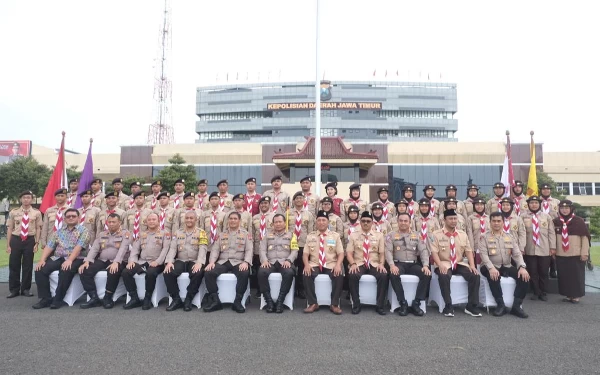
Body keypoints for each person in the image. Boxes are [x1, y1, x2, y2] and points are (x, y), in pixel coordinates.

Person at [33, 208, 91, 309]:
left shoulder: (84, 231)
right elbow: (49, 246)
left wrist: (69, 260)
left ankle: (58, 299)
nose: (71, 218)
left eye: (73, 216)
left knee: (65, 269)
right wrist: (42, 260)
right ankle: (45, 298)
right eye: (68, 216)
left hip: (77, 258)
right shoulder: (58, 232)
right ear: (64, 219)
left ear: (78, 218)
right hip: (58, 257)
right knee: (40, 269)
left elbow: (79, 247)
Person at [430, 209, 481, 317]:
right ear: (444, 220)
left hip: (459, 263)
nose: (453, 221)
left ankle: (471, 306)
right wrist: (439, 265)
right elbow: (434, 252)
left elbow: (468, 251)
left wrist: (472, 265)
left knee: (475, 275)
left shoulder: (462, 234)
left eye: (455, 218)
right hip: (444, 262)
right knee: (444, 276)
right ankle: (448, 305)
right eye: (450, 219)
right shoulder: (436, 234)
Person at [479, 212, 530, 318]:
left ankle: (516, 306)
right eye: (494, 221)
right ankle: (500, 305)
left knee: (524, 277)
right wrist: (491, 268)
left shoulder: (510, 236)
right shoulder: (484, 237)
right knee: (493, 276)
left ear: (503, 222)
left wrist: (522, 267)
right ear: (490, 222)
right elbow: (483, 255)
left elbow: (517, 254)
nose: (496, 223)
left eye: (499, 221)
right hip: (489, 265)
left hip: (506, 265)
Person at [203, 212, 253, 313]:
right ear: (228, 220)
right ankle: (215, 300)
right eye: (231, 219)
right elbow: (215, 250)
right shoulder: (221, 234)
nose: (233, 221)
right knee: (209, 272)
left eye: (235, 219)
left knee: (244, 273)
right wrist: (212, 262)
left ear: (239, 221)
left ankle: (237, 301)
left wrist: (246, 262)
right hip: (223, 261)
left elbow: (249, 250)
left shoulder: (246, 234)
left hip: (238, 261)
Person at [78, 213, 131, 309]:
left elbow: (123, 249)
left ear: (119, 222)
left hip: (119, 260)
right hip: (103, 260)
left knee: (113, 271)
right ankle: (94, 297)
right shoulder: (102, 234)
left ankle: (108, 297)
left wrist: (116, 262)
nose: (111, 224)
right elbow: (94, 249)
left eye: (113, 222)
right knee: (85, 270)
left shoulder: (125, 234)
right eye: (109, 222)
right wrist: (87, 261)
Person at [121, 212, 171, 310]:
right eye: (149, 220)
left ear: (159, 221)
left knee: (151, 273)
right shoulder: (141, 234)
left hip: (157, 262)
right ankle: (134, 298)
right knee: (126, 272)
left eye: (154, 219)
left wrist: (158, 262)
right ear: (146, 222)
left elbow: (166, 249)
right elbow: (135, 249)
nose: (151, 221)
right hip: (142, 261)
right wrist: (132, 261)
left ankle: (147, 298)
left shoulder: (165, 233)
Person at [386, 212, 430, 316]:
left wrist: (425, 265)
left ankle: (417, 303)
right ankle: (402, 303)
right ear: (397, 222)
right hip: (399, 264)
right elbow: (388, 251)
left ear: (410, 222)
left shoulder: (417, 235)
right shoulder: (391, 235)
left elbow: (423, 250)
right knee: (393, 274)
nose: (403, 223)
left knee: (426, 274)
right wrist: (392, 265)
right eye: (401, 221)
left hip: (413, 264)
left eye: (406, 221)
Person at [163, 210, 208, 311]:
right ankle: (176, 299)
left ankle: (189, 299)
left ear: (196, 220)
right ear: (184, 219)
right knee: (168, 272)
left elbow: (203, 248)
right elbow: (173, 248)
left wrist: (199, 263)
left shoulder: (202, 232)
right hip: (181, 260)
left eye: (191, 218)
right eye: (187, 218)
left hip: (194, 260)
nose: (189, 220)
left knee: (198, 273)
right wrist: (169, 261)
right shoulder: (178, 232)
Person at [303, 210, 344, 315]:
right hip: (315, 263)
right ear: (316, 222)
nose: (321, 222)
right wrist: (306, 265)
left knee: (339, 274)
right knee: (306, 274)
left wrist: (338, 265)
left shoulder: (335, 236)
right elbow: (305, 254)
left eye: (324, 220)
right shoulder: (310, 236)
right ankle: (313, 303)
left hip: (331, 263)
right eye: (319, 220)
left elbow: (340, 253)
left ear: (328, 222)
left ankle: (334, 304)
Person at [346, 211, 388, 315]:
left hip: (374, 263)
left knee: (383, 275)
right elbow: (349, 253)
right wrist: (353, 264)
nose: (366, 223)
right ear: (360, 222)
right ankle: (356, 304)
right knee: (353, 274)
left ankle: (380, 305)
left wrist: (381, 264)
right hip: (359, 263)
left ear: (372, 223)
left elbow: (382, 253)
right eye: (363, 221)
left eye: (368, 221)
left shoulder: (379, 235)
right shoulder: (353, 235)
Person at [258, 214, 298, 313]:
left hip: (285, 262)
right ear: (273, 224)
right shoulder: (267, 235)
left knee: (289, 273)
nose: (278, 224)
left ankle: (280, 301)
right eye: (276, 222)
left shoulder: (291, 235)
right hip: (270, 262)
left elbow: (294, 251)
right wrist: (264, 260)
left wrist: (289, 260)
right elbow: (262, 250)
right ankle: (269, 301)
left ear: (285, 223)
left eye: (280, 222)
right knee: (261, 272)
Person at [6, 191, 42, 298]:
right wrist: (8, 244)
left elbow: (38, 228)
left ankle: (26, 289)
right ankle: (14, 289)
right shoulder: (13, 212)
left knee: (28, 265)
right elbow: (9, 228)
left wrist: (36, 242)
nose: (26, 199)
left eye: (28, 197)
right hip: (16, 239)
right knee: (14, 265)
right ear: (20, 199)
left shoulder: (36, 213)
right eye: (24, 197)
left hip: (29, 240)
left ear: (31, 199)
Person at [553, 200, 590, 304]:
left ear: (571, 209)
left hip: (576, 253)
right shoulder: (556, 221)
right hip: (561, 254)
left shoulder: (579, 221)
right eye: (562, 208)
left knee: (576, 276)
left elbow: (585, 238)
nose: (564, 210)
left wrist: (584, 253)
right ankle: (568, 295)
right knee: (564, 275)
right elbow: (552, 238)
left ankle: (576, 295)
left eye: (567, 208)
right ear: (559, 209)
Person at [522, 196, 556, 301]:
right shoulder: (523, 217)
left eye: (536, 203)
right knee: (532, 271)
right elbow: (521, 233)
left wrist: (553, 247)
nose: (534, 205)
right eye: (531, 203)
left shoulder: (546, 217)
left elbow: (551, 233)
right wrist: (521, 247)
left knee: (543, 272)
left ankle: (543, 291)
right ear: (528, 204)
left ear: (539, 204)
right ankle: (536, 291)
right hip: (530, 248)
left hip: (544, 248)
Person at [291, 191, 315, 299]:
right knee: (291, 267)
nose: (299, 200)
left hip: (303, 244)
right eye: (297, 198)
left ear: (304, 200)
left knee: (301, 268)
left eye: (301, 198)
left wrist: (309, 246)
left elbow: (310, 231)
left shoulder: (308, 214)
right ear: (293, 201)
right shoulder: (288, 213)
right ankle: (291, 289)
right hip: (291, 245)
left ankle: (301, 289)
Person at [251, 196, 275, 297]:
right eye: (262, 203)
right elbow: (251, 234)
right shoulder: (255, 218)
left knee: (267, 267)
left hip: (270, 247)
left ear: (269, 204)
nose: (264, 205)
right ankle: (259, 289)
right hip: (257, 246)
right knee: (257, 269)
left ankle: (270, 289)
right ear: (259, 205)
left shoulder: (274, 216)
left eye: (266, 203)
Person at [540, 183, 560, 278]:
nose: (546, 191)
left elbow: (560, 215)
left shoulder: (556, 202)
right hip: (539, 229)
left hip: (554, 229)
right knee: (542, 249)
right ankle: (543, 269)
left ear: (550, 190)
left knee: (553, 249)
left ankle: (553, 269)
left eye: (547, 189)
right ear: (541, 190)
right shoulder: (536, 201)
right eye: (543, 189)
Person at [465, 197, 489, 265]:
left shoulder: (488, 218)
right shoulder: (470, 218)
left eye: (481, 205)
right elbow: (470, 234)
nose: (479, 206)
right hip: (476, 246)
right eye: (477, 205)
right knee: (476, 265)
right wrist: (471, 248)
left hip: (488, 246)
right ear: (474, 206)